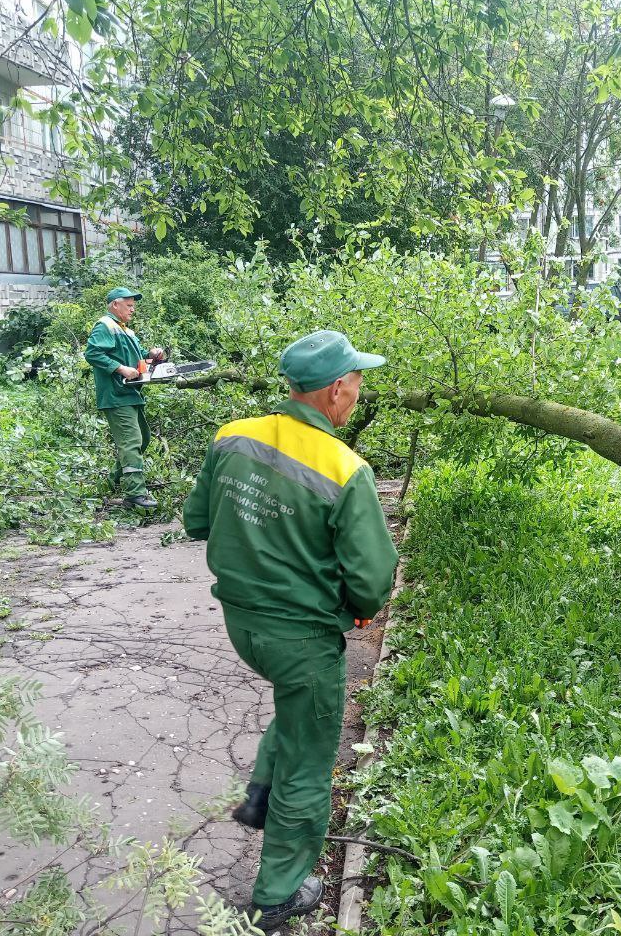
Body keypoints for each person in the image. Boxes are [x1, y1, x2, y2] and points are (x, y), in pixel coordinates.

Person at [183, 330, 398, 931]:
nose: (359, 391)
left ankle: (259, 794)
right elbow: (372, 581)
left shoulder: (232, 437)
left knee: (297, 707)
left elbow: (197, 519)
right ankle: (278, 892)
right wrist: (360, 608)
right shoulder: (345, 468)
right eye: (356, 381)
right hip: (301, 638)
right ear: (334, 390)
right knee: (310, 753)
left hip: (242, 624)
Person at [83, 286, 166, 509]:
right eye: (129, 305)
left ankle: (113, 481)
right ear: (114, 305)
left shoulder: (126, 331)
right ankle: (135, 494)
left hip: (132, 393)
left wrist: (153, 355)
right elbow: (92, 353)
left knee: (144, 439)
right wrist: (120, 368)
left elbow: (140, 359)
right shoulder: (105, 325)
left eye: (133, 305)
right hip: (116, 394)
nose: (132, 309)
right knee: (131, 443)